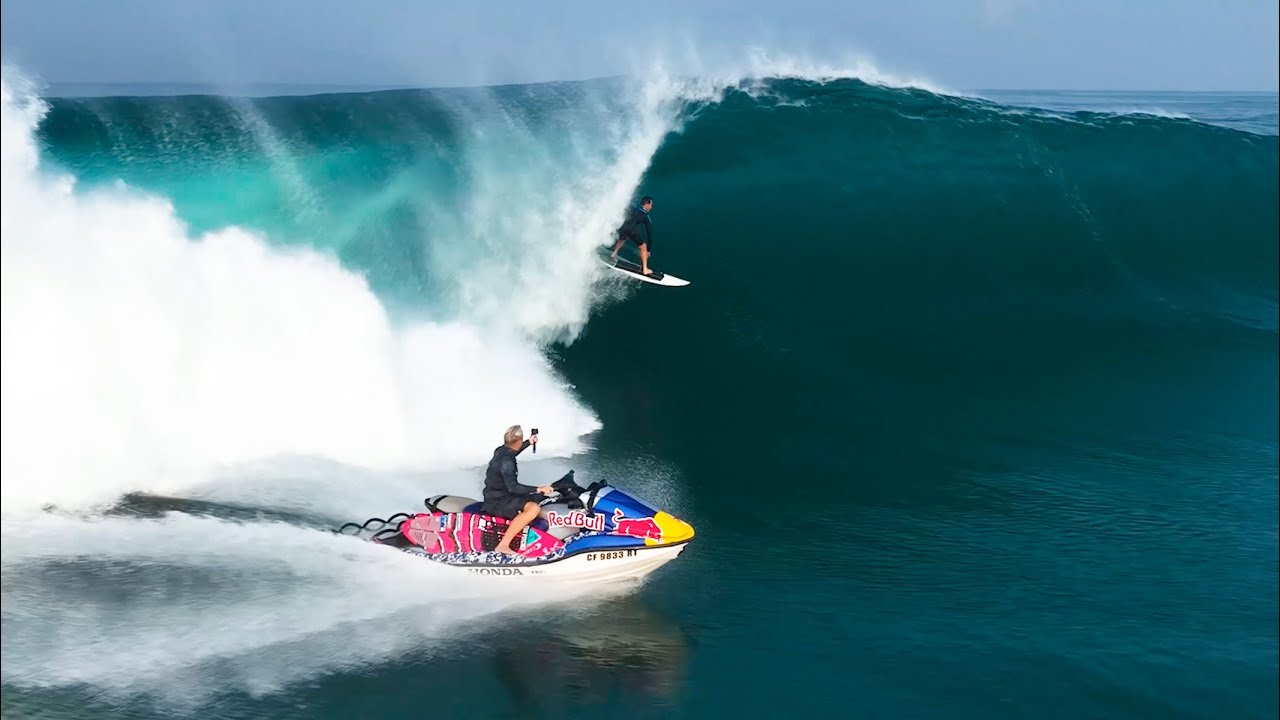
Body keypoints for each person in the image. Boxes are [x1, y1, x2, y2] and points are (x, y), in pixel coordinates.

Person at [481, 425, 554, 555]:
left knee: (539, 498)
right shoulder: (507, 462)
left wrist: (529, 442)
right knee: (534, 508)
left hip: (496, 495)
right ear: (518, 442)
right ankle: (503, 545)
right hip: (498, 501)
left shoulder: (501, 450)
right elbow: (513, 488)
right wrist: (538, 488)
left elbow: (513, 451)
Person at [610, 196, 655, 276]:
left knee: (622, 239)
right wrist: (648, 250)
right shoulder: (645, 216)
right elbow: (649, 234)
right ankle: (645, 269)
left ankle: (614, 254)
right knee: (643, 246)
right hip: (630, 230)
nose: (651, 207)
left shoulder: (633, 208)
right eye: (651, 205)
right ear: (647, 204)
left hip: (622, 226)